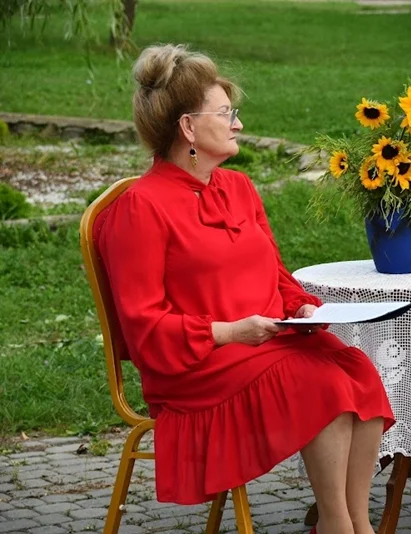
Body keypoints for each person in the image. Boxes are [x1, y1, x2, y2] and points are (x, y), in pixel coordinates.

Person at [95, 44, 395, 534]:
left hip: (265, 343)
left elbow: (276, 274)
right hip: (197, 365)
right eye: (226, 113)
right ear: (189, 128)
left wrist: (299, 307)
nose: (236, 123)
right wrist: (231, 332)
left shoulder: (239, 188)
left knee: (356, 370)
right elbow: (145, 325)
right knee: (323, 386)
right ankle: (337, 527)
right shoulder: (140, 208)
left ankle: (356, 524)